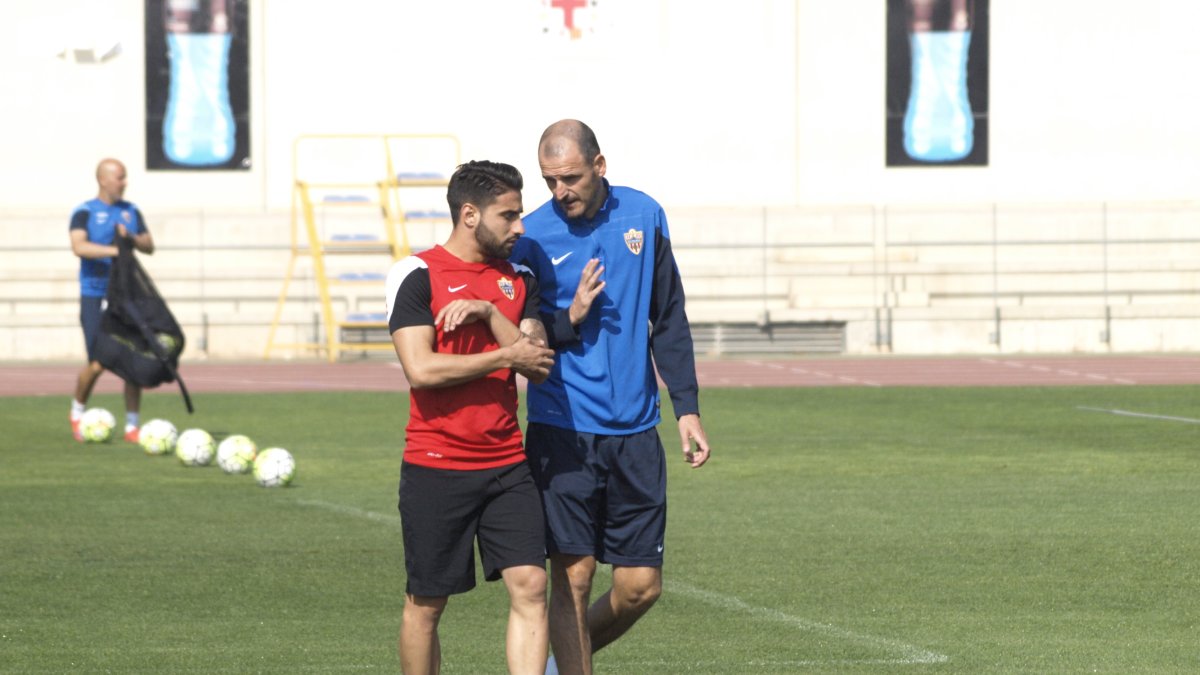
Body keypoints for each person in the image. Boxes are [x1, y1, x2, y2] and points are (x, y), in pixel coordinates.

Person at [509, 120, 712, 675]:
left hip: (636, 432)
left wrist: (687, 408)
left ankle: (557, 664)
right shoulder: (530, 238)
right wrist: (569, 316)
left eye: (570, 178)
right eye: (549, 181)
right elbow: (523, 336)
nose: (560, 191)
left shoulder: (644, 215)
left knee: (640, 587)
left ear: (599, 166)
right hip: (563, 431)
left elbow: (668, 316)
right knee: (573, 578)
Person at [385, 160, 556, 675]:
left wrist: (489, 312)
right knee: (427, 604)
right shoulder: (417, 274)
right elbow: (421, 369)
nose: (520, 226)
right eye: (509, 215)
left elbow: (537, 362)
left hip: (507, 464)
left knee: (532, 584)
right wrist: (503, 356)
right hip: (436, 466)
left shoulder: (519, 278)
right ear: (469, 214)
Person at [69, 158, 155, 443]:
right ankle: (77, 412)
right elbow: (79, 246)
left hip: (125, 296)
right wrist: (117, 251)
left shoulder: (131, 211)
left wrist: (132, 239)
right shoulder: (85, 211)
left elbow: (149, 245)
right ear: (103, 180)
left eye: (125, 176)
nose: (124, 182)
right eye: (120, 177)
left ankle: (132, 427)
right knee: (98, 363)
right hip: (94, 295)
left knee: (133, 361)